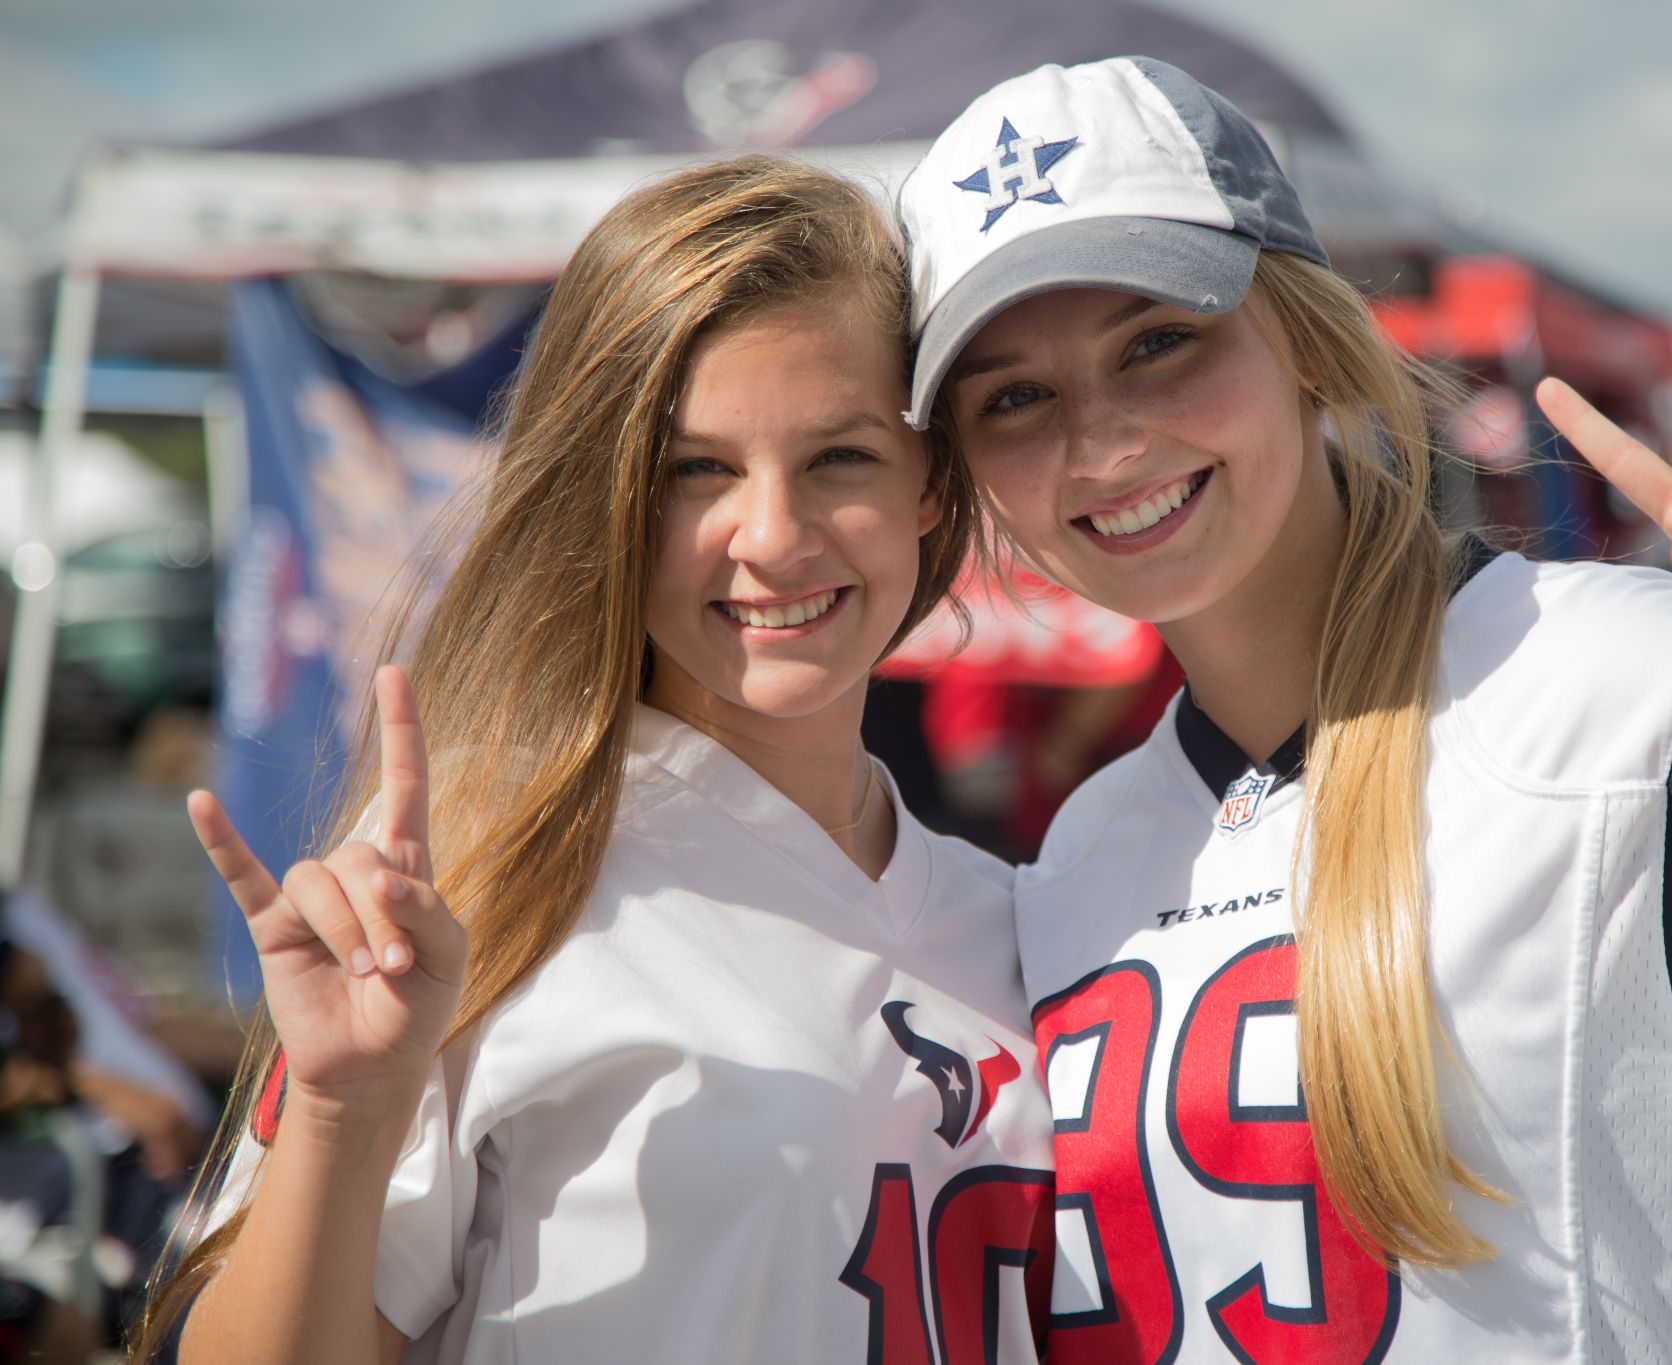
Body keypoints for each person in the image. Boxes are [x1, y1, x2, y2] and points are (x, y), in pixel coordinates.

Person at [895, 57, 1672, 1363]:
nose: (1102, 443)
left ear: (1310, 343)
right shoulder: (1075, 860)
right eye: (1014, 399)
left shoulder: (1633, 698)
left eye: (1160, 341)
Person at [136, 158, 1053, 1365]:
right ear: (606, 495)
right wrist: (342, 1110)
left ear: (930, 481)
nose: (773, 537)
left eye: (840, 458)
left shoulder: (1020, 918)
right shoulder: (487, 871)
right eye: (696, 470)